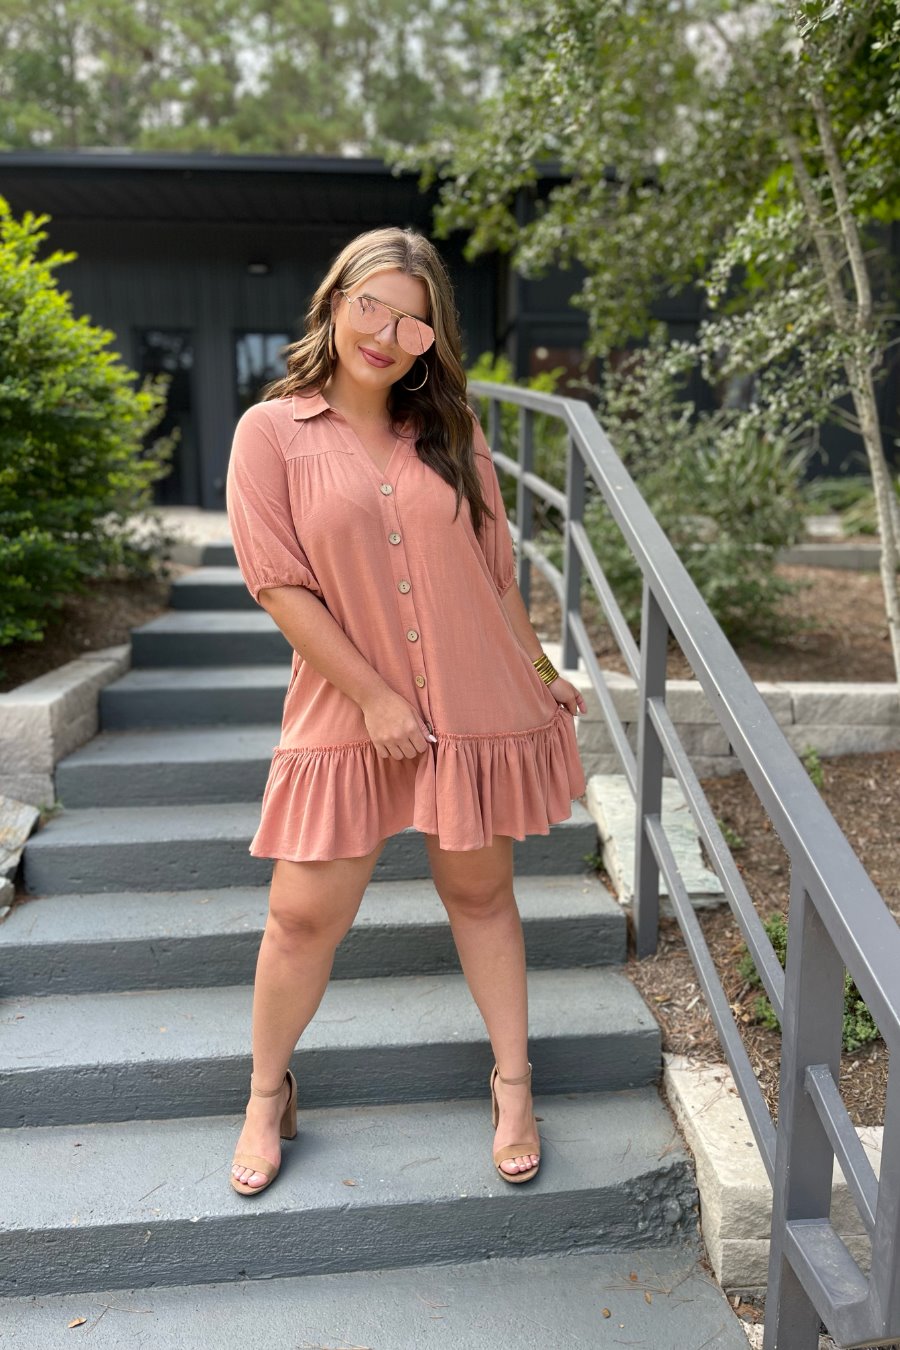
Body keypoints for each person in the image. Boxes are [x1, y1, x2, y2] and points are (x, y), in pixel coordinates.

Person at [224, 225, 587, 1198]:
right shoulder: (272, 433)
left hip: (467, 703)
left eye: (414, 322)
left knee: (481, 896)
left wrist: (539, 666)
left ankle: (514, 1085)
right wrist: (377, 696)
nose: (387, 333)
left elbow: (493, 571)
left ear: (434, 340)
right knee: (301, 917)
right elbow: (279, 584)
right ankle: (267, 1095)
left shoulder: (454, 434)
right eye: (372, 306)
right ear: (336, 302)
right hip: (348, 707)